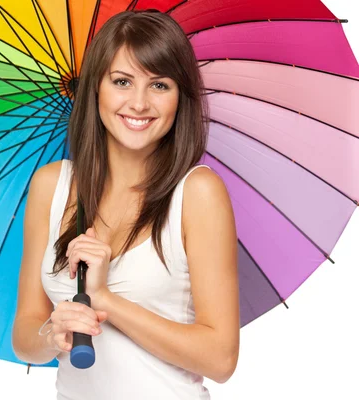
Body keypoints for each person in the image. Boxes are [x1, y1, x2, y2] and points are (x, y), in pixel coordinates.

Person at [12, 9, 239, 400]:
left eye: (160, 85)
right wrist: (54, 333)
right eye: (122, 81)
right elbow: (24, 336)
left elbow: (220, 359)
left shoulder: (197, 194)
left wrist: (105, 301)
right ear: (96, 88)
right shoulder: (51, 186)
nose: (139, 103)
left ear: (179, 97)